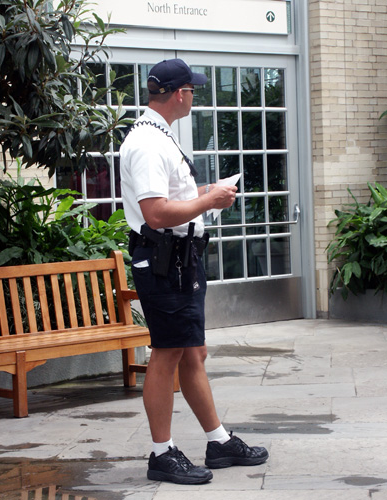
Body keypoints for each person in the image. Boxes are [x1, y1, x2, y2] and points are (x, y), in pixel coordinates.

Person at [120, 58, 268, 485]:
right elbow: (157, 214)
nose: (194, 96)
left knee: (192, 352)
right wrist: (209, 202)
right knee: (167, 354)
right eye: (193, 90)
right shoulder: (148, 143)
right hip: (165, 258)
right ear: (179, 93)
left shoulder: (159, 136)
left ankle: (218, 441)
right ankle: (161, 454)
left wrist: (208, 192)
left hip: (179, 258)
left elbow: (173, 198)